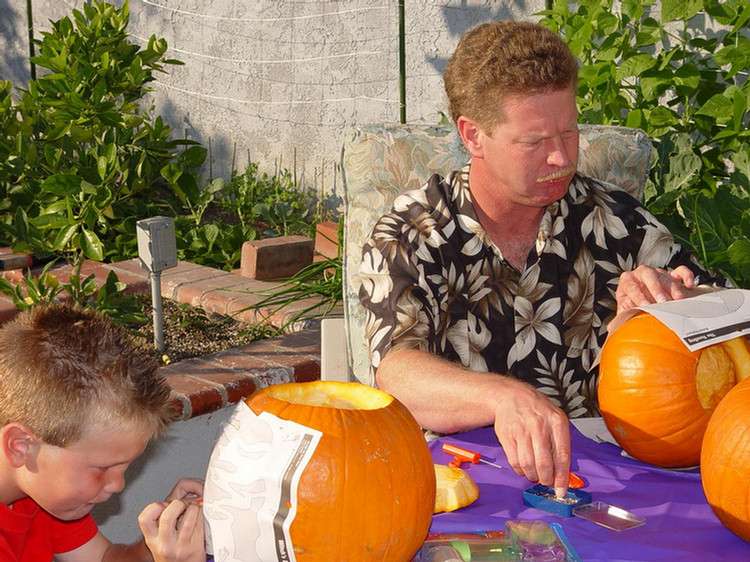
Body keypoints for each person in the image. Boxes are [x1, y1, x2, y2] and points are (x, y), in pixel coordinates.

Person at [358, 20, 725, 498]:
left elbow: (730, 312)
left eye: (569, 131)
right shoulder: (412, 234)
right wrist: (502, 396)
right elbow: (398, 372)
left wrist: (676, 301)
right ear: (473, 136)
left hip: (610, 486)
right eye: (534, 142)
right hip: (463, 488)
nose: (560, 158)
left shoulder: (612, 219)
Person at [0, 303, 206, 562]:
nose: (118, 485)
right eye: (102, 469)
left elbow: (105, 558)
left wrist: (160, 541)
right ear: (20, 446)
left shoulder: (42, 487)